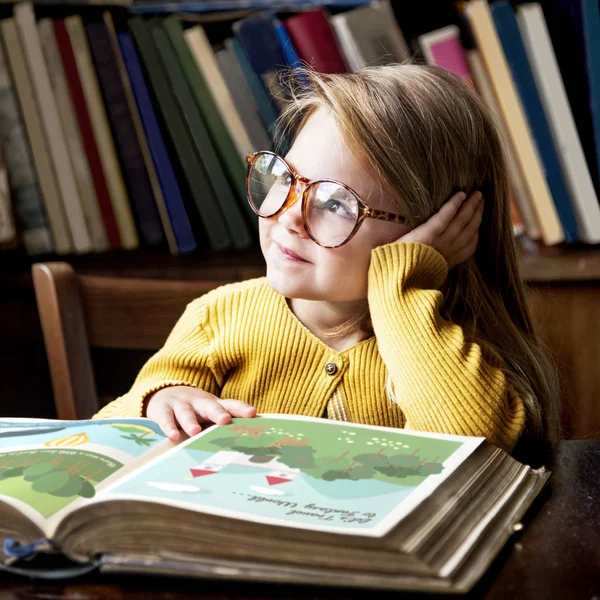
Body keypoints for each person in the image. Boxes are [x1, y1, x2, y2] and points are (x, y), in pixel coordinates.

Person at [94, 64, 561, 455]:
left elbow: (478, 447)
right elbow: (110, 434)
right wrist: (161, 400)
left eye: (336, 203)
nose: (289, 215)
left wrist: (402, 282)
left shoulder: (454, 345)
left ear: (439, 229)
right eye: (286, 177)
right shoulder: (218, 318)